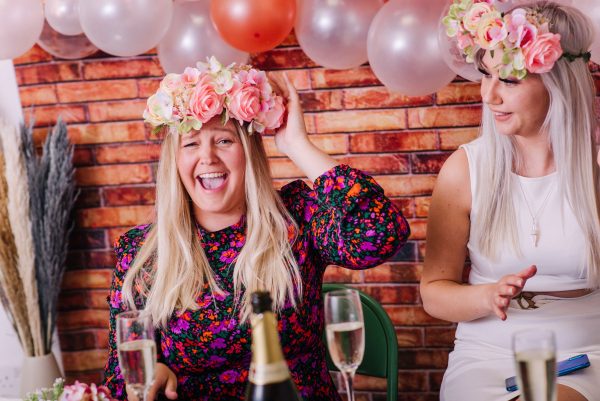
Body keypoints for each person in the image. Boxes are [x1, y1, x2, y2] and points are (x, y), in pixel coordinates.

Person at [103, 57, 410, 401]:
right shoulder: (142, 250)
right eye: (191, 144)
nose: (207, 158)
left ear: (249, 153)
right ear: (174, 162)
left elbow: (383, 233)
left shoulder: (295, 219)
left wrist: (297, 146)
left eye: (224, 141)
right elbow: (119, 376)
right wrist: (152, 372)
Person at [421, 1, 600, 401]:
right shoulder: (464, 169)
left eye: (511, 81)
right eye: (485, 76)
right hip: (487, 355)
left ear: (559, 83)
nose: (490, 96)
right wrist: (486, 296)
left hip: (586, 354)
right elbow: (433, 292)